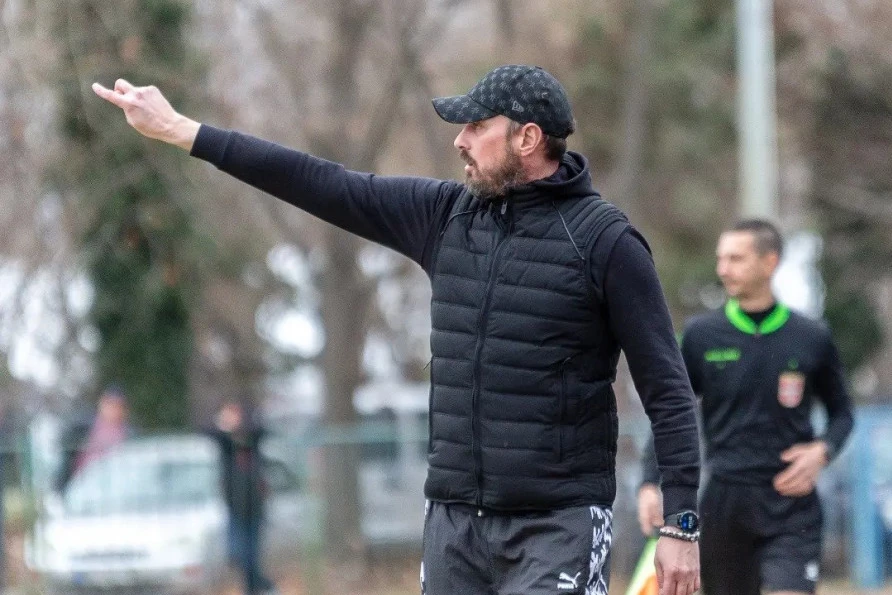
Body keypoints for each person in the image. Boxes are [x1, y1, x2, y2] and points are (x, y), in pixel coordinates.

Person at [94, 64, 702, 595]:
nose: (460, 140)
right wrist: (183, 131)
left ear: (527, 138)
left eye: (476, 127)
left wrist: (681, 524)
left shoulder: (605, 242)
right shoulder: (445, 217)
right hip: (454, 527)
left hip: (557, 525)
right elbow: (322, 182)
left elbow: (669, 392)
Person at [637, 219, 854, 595]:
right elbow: (672, 413)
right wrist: (648, 481)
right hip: (724, 504)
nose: (723, 269)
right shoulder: (701, 335)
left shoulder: (811, 336)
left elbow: (843, 414)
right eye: (721, 259)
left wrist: (822, 451)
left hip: (791, 504)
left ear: (770, 262)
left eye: (736, 259)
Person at [208, 400, 276, 595]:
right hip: (235, 507)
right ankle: (263, 586)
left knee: (251, 556)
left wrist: (243, 422)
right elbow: (210, 432)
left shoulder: (253, 440)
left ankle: (256, 588)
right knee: (238, 554)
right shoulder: (226, 444)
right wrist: (224, 424)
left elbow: (261, 429)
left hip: (254, 506)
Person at [57, 383, 133, 491]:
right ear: (101, 403)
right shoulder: (83, 428)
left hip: (117, 486)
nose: (113, 409)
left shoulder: (130, 434)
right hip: (85, 485)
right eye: (110, 403)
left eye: (118, 405)